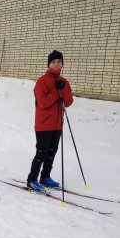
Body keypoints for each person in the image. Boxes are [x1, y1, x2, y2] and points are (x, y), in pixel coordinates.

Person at [27, 50, 73, 192]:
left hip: (57, 124)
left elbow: (69, 102)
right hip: (43, 124)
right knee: (42, 152)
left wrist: (63, 89)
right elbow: (43, 103)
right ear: (49, 64)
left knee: (52, 151)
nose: (56, 64)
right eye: (53, 61)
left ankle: (45, 177)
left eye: (59, 61)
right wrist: (55, 91)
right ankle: (32, 180)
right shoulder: (42, 81)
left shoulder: (64, 82)